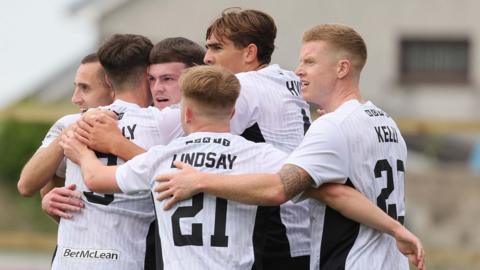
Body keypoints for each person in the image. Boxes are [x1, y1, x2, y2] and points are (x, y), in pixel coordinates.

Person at [154, 24, 426, 270]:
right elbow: (337, 192)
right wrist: (395, 229)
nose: (299, 71)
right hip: (390, 261)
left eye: (310, 62)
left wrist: (201, 180)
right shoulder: (385, 121)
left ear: (342, 69)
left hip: (352, 261)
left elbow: (279, 189)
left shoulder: (333, 126)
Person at [61, 65, 289, 269]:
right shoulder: (260, 155)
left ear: (187, 113)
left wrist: (81, 153)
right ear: (232, 112)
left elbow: (96, 178)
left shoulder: (163, 157)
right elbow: (299, 181)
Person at [51, 33, 182, 270]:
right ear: (147, 76)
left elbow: (29, 184)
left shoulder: (77, 123)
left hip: (69, 259)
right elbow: (174, 176)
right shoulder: (162, 122)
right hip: (125, 258)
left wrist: (48, 197)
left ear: (108, 82)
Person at [41, 37, 205, 220]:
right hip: (121, 241)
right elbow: (34, 185)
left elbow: (176, 177)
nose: (157, 88)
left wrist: (115, 145)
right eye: (152, 79)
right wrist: (49, 200)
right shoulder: (84, 121)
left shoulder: (174, 119)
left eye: (167, 79)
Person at [202, 8, 312, 269]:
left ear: (249, 52)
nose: (206, 58)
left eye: (217, 48)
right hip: (303, 227)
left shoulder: (244, 85)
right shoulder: (285, 80)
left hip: (275, 230)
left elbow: (193, 148)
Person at [17, 53, 115, 221]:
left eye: (85, 88)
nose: (75, 98)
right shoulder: (69, 123)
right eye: (76, 87)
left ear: (113, 88)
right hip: (76, 245)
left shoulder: (152, 124)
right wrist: (70, 132)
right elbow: (27, 186)